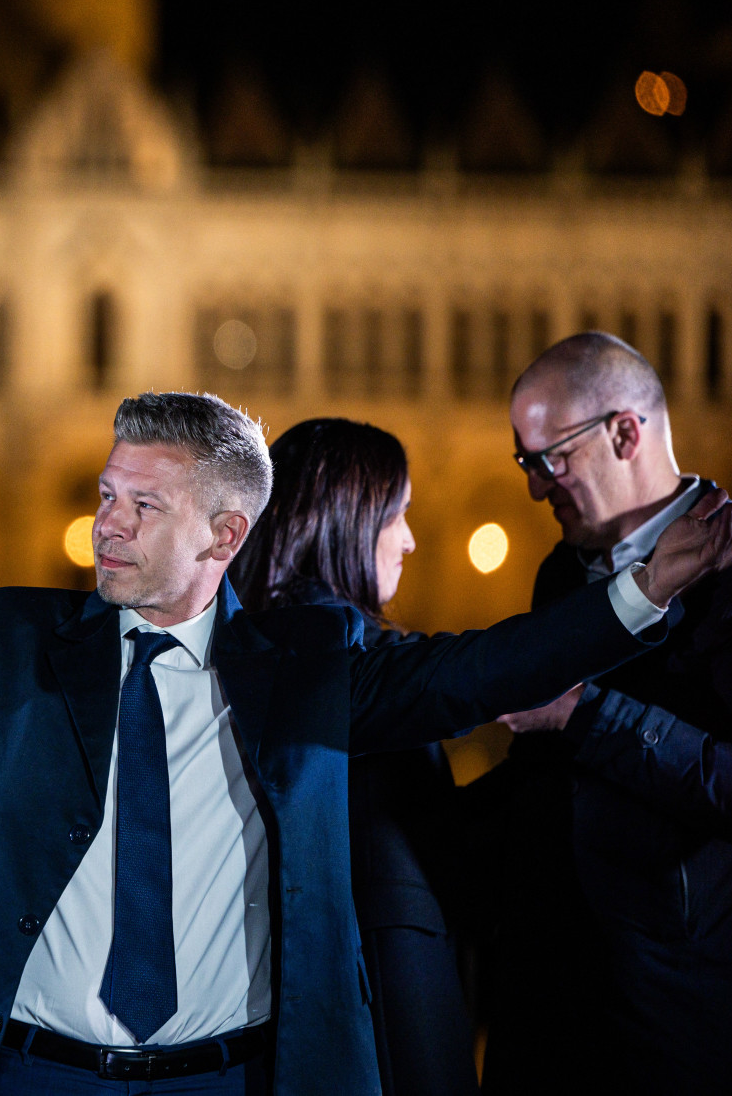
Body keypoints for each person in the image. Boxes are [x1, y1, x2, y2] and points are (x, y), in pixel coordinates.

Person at [0, 390, 732, 1096]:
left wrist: (635, 596)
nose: (103, 525)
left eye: (140, 505)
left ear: (224, 533)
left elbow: (481, 668)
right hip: (31, 1075)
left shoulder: (311, 664)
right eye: (102, 495)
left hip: (231, 1077)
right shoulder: (15, 642)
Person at [472, 332, 732, 1096]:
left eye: (549, 459)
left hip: (686, 1026)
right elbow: (542, 781)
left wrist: (586, 714)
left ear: (625, 433)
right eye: (525, 462)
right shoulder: (562, 571)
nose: (536, 489)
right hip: (554, 1014)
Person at [230, 419, 476, 1096]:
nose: (410, 540)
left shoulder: (251, 644)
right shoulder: (347, 657)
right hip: (385, 999)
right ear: (346, 521)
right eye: (396, 515)